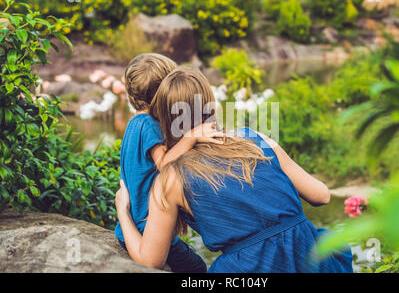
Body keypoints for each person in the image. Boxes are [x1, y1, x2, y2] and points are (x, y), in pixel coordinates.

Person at [115, 66, 353, 273]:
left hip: (252, 266)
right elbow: (322, 195)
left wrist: (123, 212)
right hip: (310, 258)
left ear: (163, 119)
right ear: (211, 104)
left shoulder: (171, 179)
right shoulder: (255, 140)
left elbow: (150, 260)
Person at [116, 54, 223, 273]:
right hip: (148, 228)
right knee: (197, 267)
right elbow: (164, 164)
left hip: (134, 225)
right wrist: (191, 137)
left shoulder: (134, 124)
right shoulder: (149, 125)